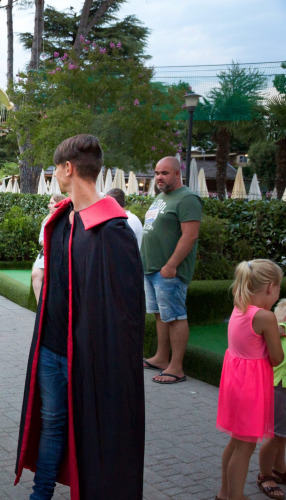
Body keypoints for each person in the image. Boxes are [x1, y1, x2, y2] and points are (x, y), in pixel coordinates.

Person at [16, 134, 145, 499]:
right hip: (51, 349)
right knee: (53, 424)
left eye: (57, 167)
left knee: (93, 432)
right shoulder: (60, 221)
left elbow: (125, 316)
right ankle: (40, 495)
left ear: (68, 168)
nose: (56, 174)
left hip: (90, 359)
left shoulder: (113, 230)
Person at [216, 259, 284, 500]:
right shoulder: (265, 317)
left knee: (236, 443)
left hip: (235, 382)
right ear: (270, 287)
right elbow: (277, 358)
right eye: (278, 289)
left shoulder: (239, 306)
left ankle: (225, 493)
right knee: (245, 448)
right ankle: (235, 496)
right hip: (251, 387)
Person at [141, 156, 203, 384]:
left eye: (164, 173)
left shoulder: (187, 198)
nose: (159, 177)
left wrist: (171, 265)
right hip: (152, 269)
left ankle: (176, 367)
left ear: (177, 174)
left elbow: (190, 235)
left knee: (175, 317)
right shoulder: (161, 197)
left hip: (169, 272)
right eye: (157, 173)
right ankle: (160, 358)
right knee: (160, 316)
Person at [258, 298, 286, 500]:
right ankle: (265, 474)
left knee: (283, 434)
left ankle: (279, 468)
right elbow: (276, 330)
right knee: (276, 435)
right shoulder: (280, 329)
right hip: (279, 387)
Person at [31, 194, 66, 303]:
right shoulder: (46, 220)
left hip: (60, 254)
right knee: (35, 274)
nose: (49, 206)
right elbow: (41, 239)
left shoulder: (67, 220)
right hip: (46, 252)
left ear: (59, 204)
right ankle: (39, 307)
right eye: (49, 203)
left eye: (52, 203)